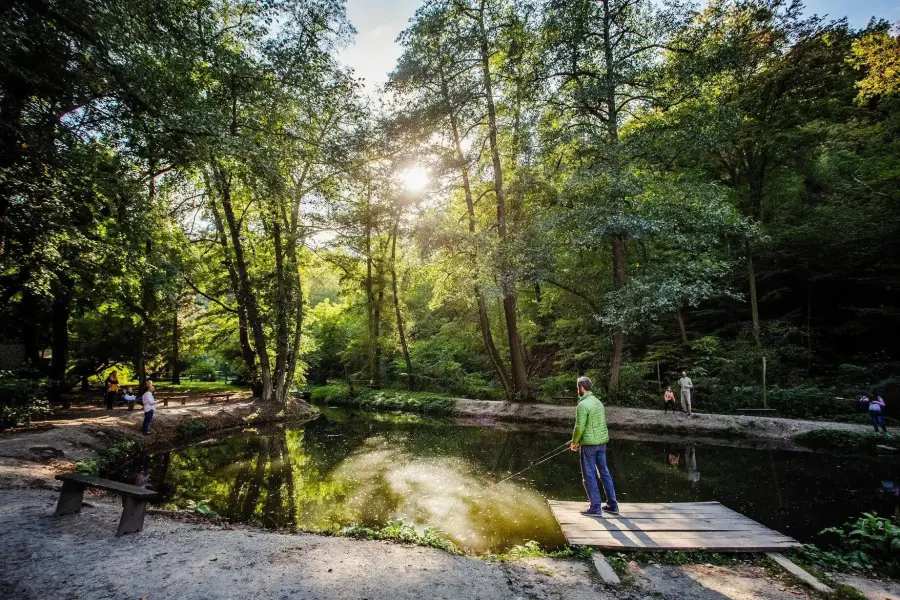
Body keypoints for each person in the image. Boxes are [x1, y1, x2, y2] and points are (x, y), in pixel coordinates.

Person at [570, 376, 619, 517]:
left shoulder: (582, 405)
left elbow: (579, 427)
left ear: (581, 388)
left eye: (577, 388)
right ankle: (612, 505)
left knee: (589, 475)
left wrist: (574, 442)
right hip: (601, 443)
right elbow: (594, 425)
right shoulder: (598, 402)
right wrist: (577, 440)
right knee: (604, 472)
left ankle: (595, 508)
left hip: (589, 446)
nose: (577, 390)